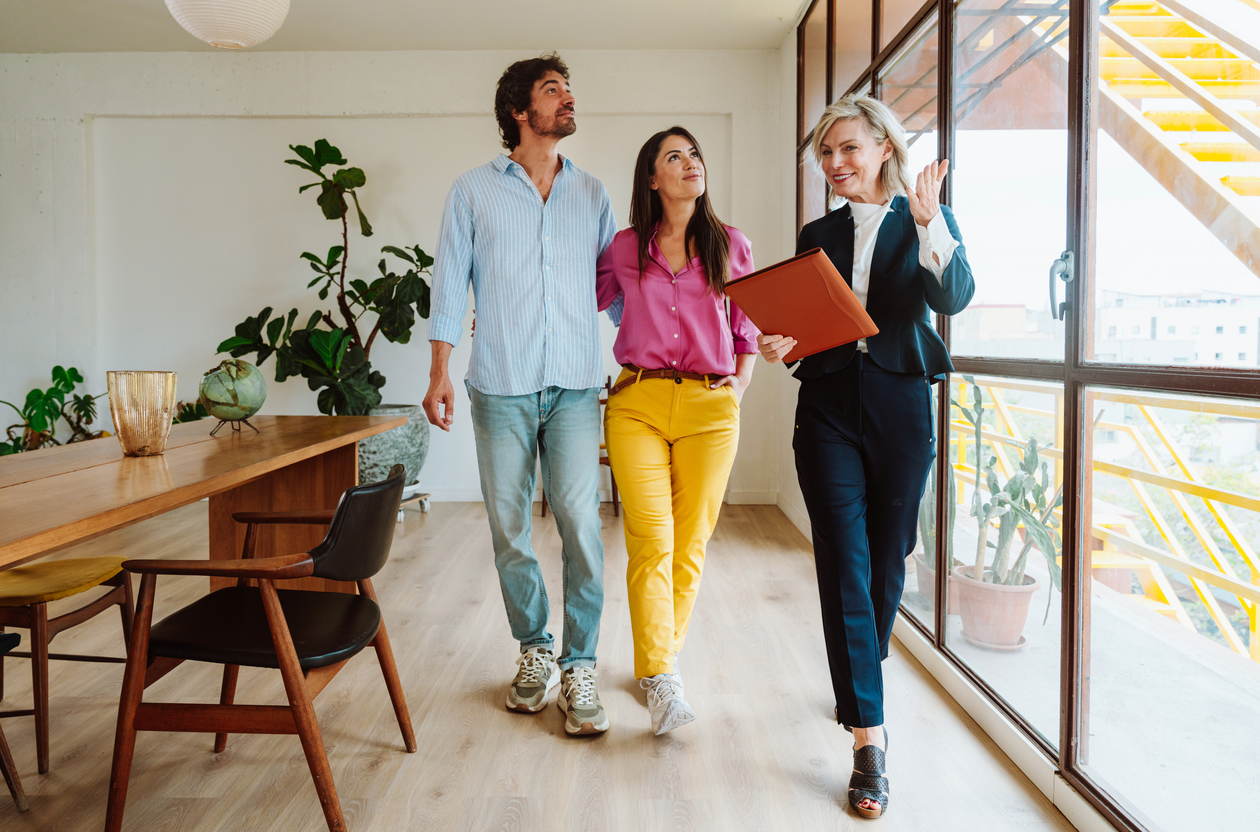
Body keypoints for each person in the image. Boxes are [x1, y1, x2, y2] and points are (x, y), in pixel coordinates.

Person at [757, 96, 973, 818]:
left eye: (848, 148)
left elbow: (954, 297)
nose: (835, 163)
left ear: (884, 146)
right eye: (826, 153)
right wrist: (781, 342)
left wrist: (931, 222)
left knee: (888, 558)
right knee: (843, 564)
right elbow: (806, 322)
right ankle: (868, 740)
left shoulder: (924, 218)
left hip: (900, 407)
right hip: (825, 410)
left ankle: (861, 673)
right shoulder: (818, 232)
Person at [423, 53, 617, 736]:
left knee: (581, 524)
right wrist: (439, 371)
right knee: (509, 528)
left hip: (574, 387)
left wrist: (658, 352)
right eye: (552, 89)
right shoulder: (473, 191)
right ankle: (535, 649)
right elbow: (450, 284)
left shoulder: (592, 193)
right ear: (519, 110)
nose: (567, 98)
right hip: (499, 386)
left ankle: (580, 663)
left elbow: (614, 289)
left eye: (568, 89)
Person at [596, 127, 759, 735]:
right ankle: (663, 677)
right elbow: (579, 298)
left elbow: (746, 329)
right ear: (652, 178)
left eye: (695, 154)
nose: (691, 163)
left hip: (710, 409)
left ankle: (656, 663)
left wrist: (736, 390)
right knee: (651, 538)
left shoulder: (730, 244)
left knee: (690, 543)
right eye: (674, 156)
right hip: (636, 402)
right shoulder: (624, 247)